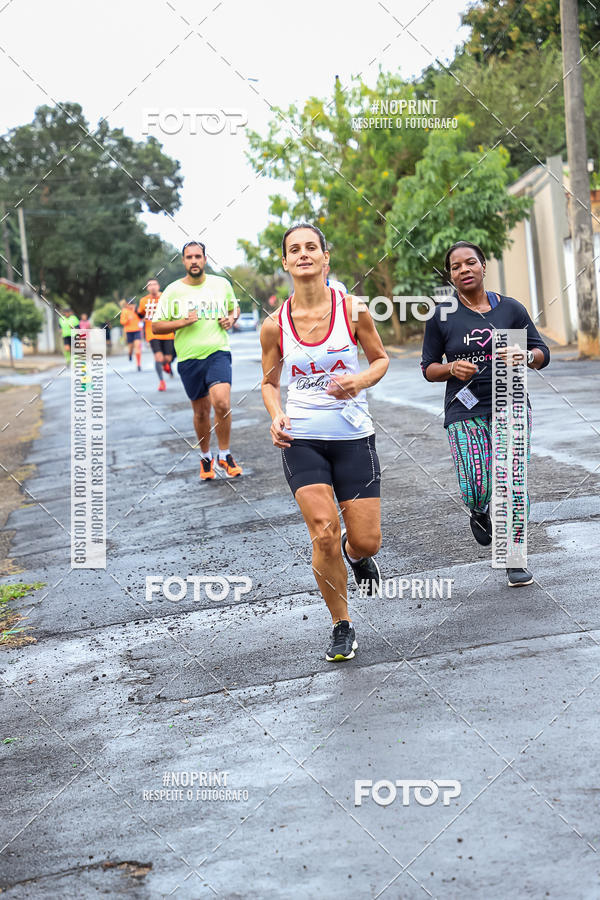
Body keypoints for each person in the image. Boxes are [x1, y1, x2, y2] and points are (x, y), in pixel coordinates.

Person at [261, 223, 389, 662]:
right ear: (284, 262)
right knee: (323, 532)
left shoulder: (352, 310)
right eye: (293, 249)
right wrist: (276, 415)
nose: (303, 254)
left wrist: (359, 379)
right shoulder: (274, 325)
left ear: (325, 257)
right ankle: (341, 624)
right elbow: (268, 383)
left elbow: (381, 360)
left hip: (353, 434)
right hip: (303, 439)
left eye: (310, 247)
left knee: (365, 540)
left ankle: (358, 557)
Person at [420, 240, 550, 587]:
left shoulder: (511, 309)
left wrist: (525, 357)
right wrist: (450, 370)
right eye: (456, 266)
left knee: (512, 479)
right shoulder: (441, 316)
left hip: (511, 400)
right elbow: (428, 367)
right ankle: (479, 510)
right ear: (450, 275)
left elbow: (541, 352)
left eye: (470, 262)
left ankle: (513, 558)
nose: (464, 269)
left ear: (483, 266)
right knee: (476, 486)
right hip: (465, 408)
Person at [152, 241, 243, 479]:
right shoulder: (172, 291)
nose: (194, 261)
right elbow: (157, 326)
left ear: (204, 259)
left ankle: (225, 454)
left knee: (221, 403)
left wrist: (231, 320)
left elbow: (235, 309)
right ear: (183, 261)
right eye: (189, 257)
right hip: (189, 358)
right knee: (201, 412)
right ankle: (206, 456)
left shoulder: (221, 284)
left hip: (218, 352)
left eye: (198, 256)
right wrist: (182, 321)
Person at [138, 278, 175, 392]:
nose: (152, 287)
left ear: (158, 286)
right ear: (147, 288)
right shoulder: (144, 301)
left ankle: (166, 365)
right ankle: (162, 382)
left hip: (167, 332)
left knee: (168, 358)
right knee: (158, 357)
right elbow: (140, 314)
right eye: (150, 285)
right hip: (152, 332)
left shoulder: (166, 297)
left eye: (154, 284)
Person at [119, 299, 142, 370]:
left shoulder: (137, 310)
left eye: (132, 304)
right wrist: (128, 319)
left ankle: (138, 364)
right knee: (131, 347)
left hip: (137, 330)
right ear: (127, 305)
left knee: (137, 347)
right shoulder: (124, 311)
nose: (131, 306)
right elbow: (122, 322)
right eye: (129, 304)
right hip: (129, 331)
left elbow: (142, 317)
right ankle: (130, 354)